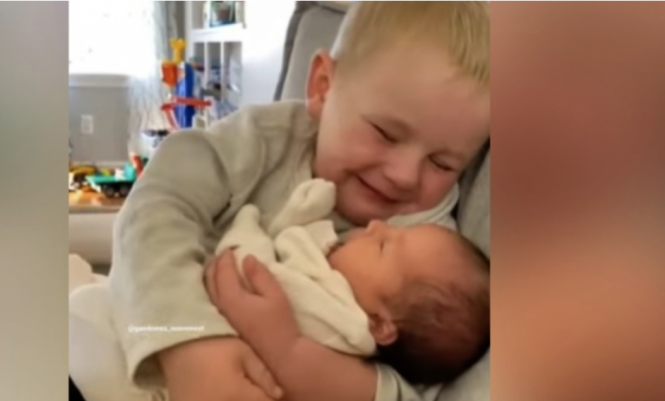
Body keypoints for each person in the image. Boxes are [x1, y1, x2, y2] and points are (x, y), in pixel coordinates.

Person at [108, 2, 490, 401]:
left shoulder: (432, 247)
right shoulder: (259, 142)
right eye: (385, 133)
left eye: (442, 163)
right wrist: (189, 345)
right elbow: (154, 211)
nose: (405, 175)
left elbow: (411, 391)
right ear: (323, 86)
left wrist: (288, 352)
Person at [212, 178, 490, 387]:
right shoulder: (337, 287)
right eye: (393, 231)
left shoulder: (334, 322)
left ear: (379, 324)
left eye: (382, 246)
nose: (376, 226)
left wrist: (246, 223)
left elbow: (244, 276)